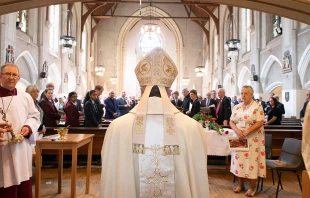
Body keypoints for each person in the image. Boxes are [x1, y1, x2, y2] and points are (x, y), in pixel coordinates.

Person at [100, 48, 210, 198]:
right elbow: (198, 177)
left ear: (141, 91)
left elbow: (110, 173)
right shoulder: (192, 128)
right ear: (170, 92)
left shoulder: (117, 127)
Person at [0, 64, 40, 198]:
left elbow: (34, 116)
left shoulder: (25, 97)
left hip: (20, 148)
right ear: (0, 76)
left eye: (14, 75)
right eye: (7, 74)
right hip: (2, 149)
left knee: (23, 182)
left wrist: (28, 127)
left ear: (18, 78)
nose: (11, 77)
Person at [229, 85, 266, 197]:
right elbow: (231, 121)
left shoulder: (257, 106)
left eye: (246, 93)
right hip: (239, 138)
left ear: (251, 94)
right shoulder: (237, 107)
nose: (243, 95)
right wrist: (237, 131)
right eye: (242, 93)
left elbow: (260, 122)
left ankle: (252, 187)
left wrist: (246, 132)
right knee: (239, 160)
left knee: (252, 161)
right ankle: (240, 184)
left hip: (253, 139)